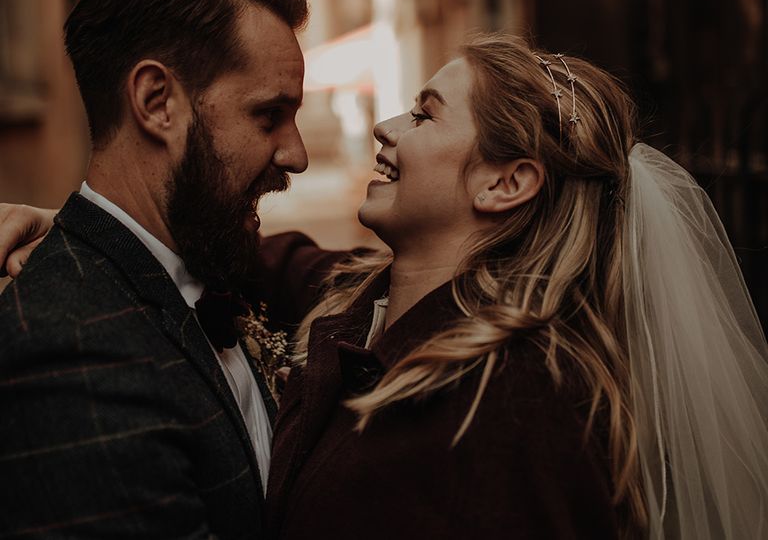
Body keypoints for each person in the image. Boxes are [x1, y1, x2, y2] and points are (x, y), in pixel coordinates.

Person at [3, 35, 767, 539]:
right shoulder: (363, 298)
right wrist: (63, 225)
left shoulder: (522, 402)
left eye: (425, 115)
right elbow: (264, 261)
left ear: (506, 181)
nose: (386, 128)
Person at [0, 0, 325, 539]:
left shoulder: (194, 267)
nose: (296, 154)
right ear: (156, 102)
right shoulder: (70, 352)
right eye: (268, 115)